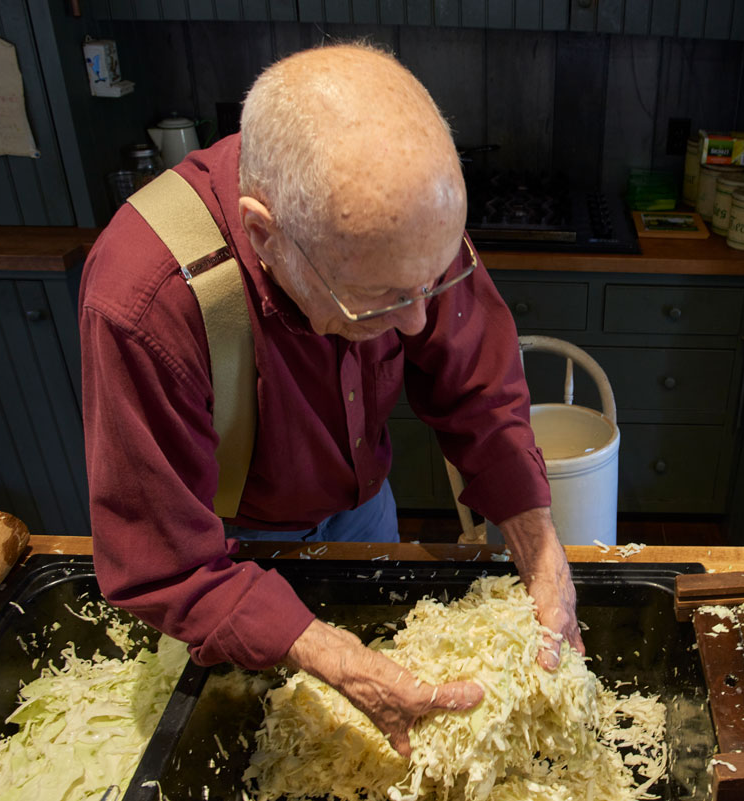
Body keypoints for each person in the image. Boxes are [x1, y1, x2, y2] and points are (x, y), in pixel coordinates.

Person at [80, 43, 583, 758]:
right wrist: (337, 660)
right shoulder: (144, 300)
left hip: (361, 502)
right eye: (379, 299)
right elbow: (167, 562)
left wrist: (540, 548)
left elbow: (479, 390)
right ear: (266, 235)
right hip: (232, 544)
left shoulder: (403, 219)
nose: (418, 322)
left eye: (430, 284)